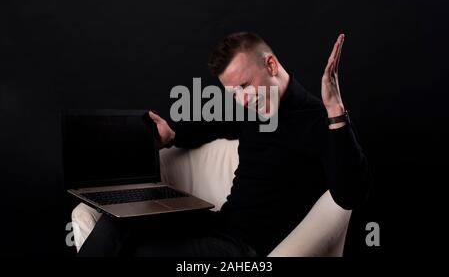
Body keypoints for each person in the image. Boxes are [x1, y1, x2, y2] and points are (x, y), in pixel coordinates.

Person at [78, 32, 369, 257]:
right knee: (117, 221)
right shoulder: (253, 108)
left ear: (270, 64)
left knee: (136, 253)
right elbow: (213, 125)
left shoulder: (319, 119)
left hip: (244, 249)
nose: (241, 100)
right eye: (232, 93)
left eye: (244, 86)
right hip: (218, 224)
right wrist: (173, 135)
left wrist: (336, 113)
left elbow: (350, 195)